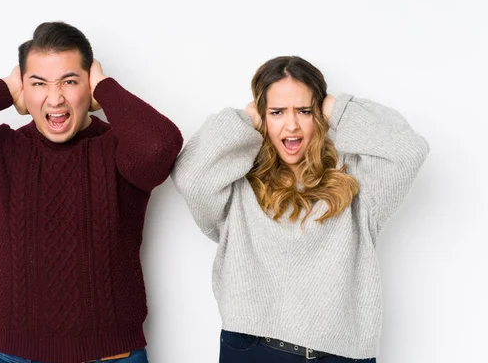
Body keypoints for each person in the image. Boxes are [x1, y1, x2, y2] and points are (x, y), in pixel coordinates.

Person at [0, 22, 183, 363]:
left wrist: (106, 87)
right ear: (24, 89)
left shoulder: (119, 150)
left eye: (69, 81)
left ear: (88, 88)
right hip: (17, 356)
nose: (55, 97)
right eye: (39, 83)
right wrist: (2, 90)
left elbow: (160, 145)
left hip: (112, 356)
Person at [171, 56, 429, 362]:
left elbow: (409, 150)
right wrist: (246, 118)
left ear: (319, 116)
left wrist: (335, 107)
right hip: (253, 349)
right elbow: (190, 175)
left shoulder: (358, 182)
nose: (291, 125)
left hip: (338, 355)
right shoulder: (237, 182)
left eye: (304, 111)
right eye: (277, 112)